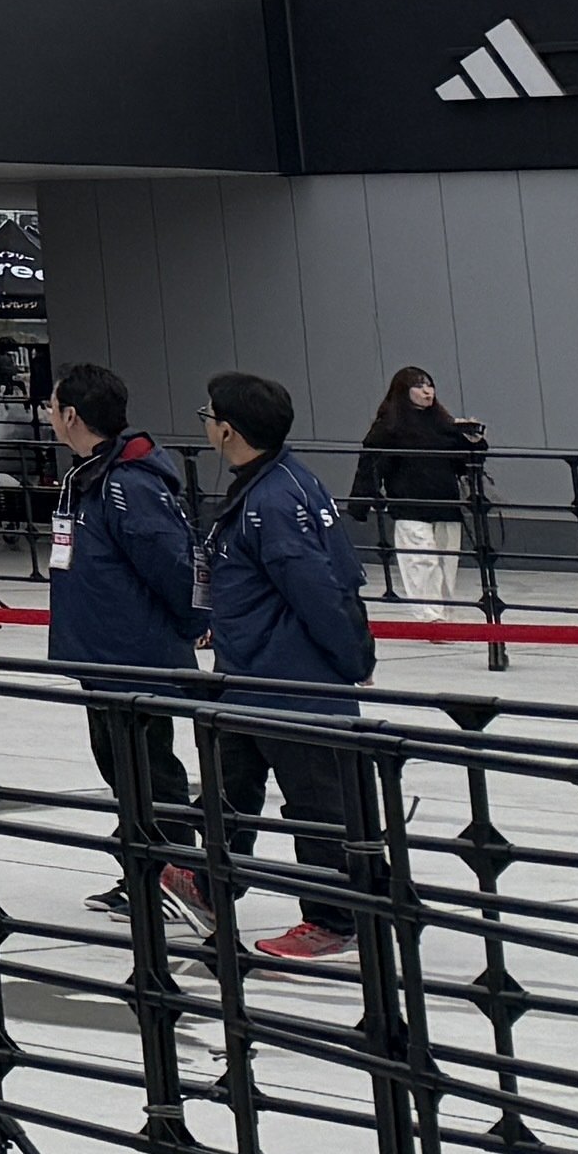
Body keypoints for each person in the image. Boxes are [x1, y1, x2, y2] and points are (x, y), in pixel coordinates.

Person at [200, 371, 384, 969]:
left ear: (228, 430)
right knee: (230, 786)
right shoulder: (277, 482)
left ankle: (335, 917)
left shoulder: (274, 500)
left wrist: (353, 656)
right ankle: (209, 885)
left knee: (318, 800)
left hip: (290, 678)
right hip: (247, 673)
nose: (206, 425)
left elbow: (320, 587)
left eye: (209, 415)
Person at [40, 364, 214, 941]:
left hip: (135, 654)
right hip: (100, 652)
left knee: (150, 768)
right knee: (120, 766)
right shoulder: (89, 475)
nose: (48, 414)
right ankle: (143, 869)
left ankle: (177, 875)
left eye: (52, 406)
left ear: (71, 415)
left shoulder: (127, 483)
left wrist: (196, 621)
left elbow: (172, 562)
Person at [346, 366, 487, 611]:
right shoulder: (389, 427)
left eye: (429, 385)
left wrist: (475, 442)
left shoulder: (444, 424)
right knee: (422, 565)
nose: (427, 391)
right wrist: (360, 503)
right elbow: (370, 465)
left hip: (446, 506)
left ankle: (443, 617)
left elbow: (465, 463)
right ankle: (430, 619)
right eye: (419, 386)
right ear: (404, 391)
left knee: (445, 569)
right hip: (409, 507)